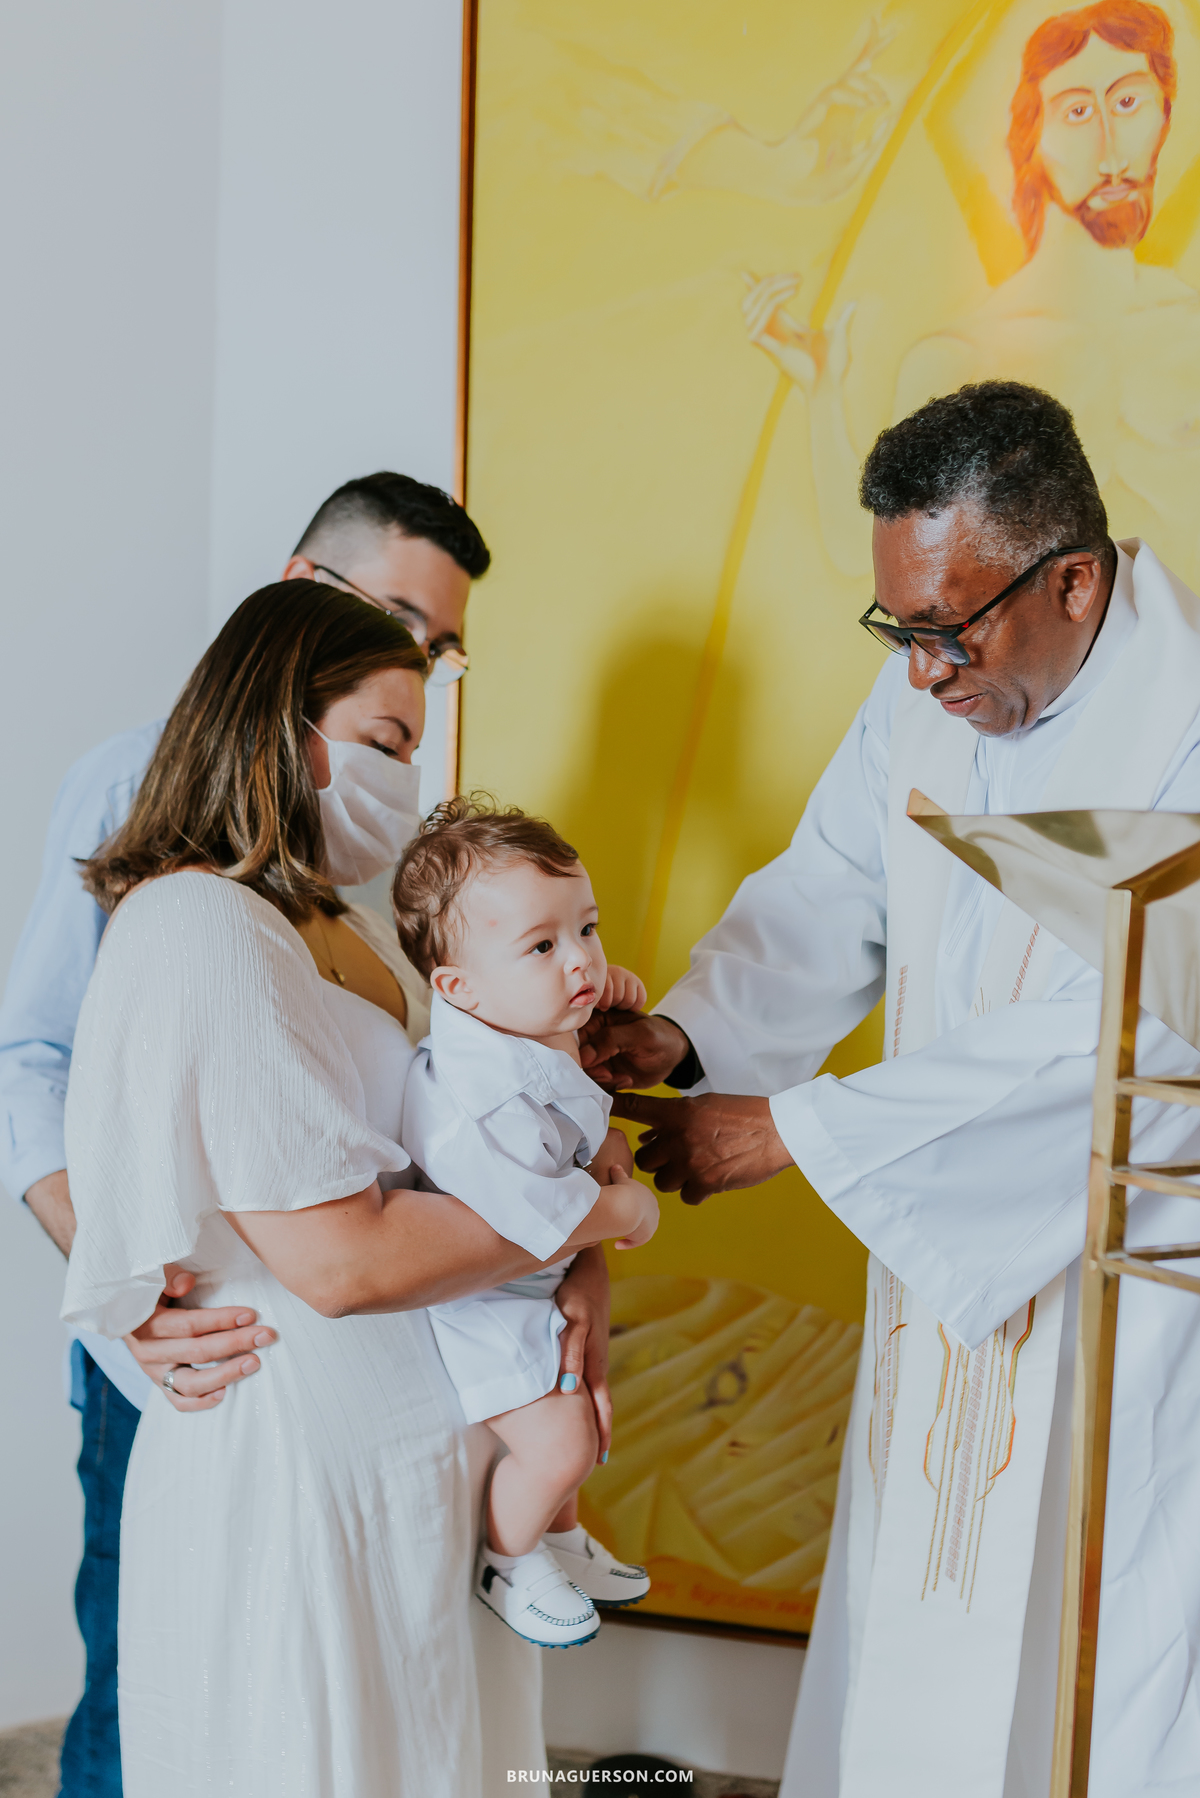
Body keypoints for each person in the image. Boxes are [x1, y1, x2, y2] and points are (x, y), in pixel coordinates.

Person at [582, 381, 1200, 1796]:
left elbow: (1130, 1031)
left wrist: (793, 1130)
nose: (923, 673)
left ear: (1074, 579)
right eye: (898, 628)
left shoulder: (1185, 723)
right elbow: (832, 886)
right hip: (945, 1285)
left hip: (1117, 1295)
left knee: (1090, 1662)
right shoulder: (928, 688)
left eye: (949, 628)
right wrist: (689, 1036)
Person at [61, 581, 656, 1797]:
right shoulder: (201, 923)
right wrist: (606, 1215)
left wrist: (581, 1263)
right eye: (385, 741)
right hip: (297, 1462)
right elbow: (340, 1260)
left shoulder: (360, 928)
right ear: (283, 726)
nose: (406, 777)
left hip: (428, 1451)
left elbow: (490, 1142)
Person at [0, 470, 506, 1798]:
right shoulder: (148, 821)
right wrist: (128, 1285)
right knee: (152, 1682)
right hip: (208, 1336)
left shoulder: (348, 880)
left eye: (440, 647)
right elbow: (38, 1061)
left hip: (380, 1400)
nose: (418, 662)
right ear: (300, 601)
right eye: (394, 623)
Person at [743, 0, 1200, 579]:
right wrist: (824, 394)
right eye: (1078, 112)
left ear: (1165, 113)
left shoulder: (1186, 320)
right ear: (1031, 140)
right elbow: (874, 550)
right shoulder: (966, 357)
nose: (1112, 152)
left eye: (1128, 102)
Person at [393, 799, 655, 1646]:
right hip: (486, 1299)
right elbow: (542, 1216)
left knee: (578, 1402)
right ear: (457, 989)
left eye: (589, 929)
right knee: (563, 1443)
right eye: (543, 946)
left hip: (535, 1281)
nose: (581, 960)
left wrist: (603, 985)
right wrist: (628, 1206)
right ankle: (507, 1558)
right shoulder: (487, 1097)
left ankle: (561, 1537)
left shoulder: (518, 1011)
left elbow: (570, 1000)